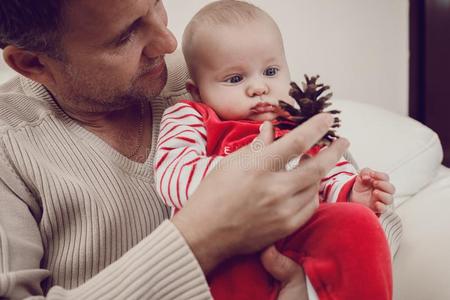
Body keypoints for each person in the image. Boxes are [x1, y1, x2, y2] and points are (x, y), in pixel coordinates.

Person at [0, 0, 390, 299]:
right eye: (125, 36)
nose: (168, 43)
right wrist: (201, 239)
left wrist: (300, 284)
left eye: (156, 3)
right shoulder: (9, 147)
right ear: (32, 62)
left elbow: (369, 217)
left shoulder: (213, 71)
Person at [154, 1, 395, 299]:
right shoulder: (193, 116)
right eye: (235, 78)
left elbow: (329, 168)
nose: (259, 87)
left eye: (270, 71)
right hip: (229, 238)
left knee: (358, 225)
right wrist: (244, 173)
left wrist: (352, 192)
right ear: (198, 91)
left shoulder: (296, 121)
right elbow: (172, 177)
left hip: (301, 229)